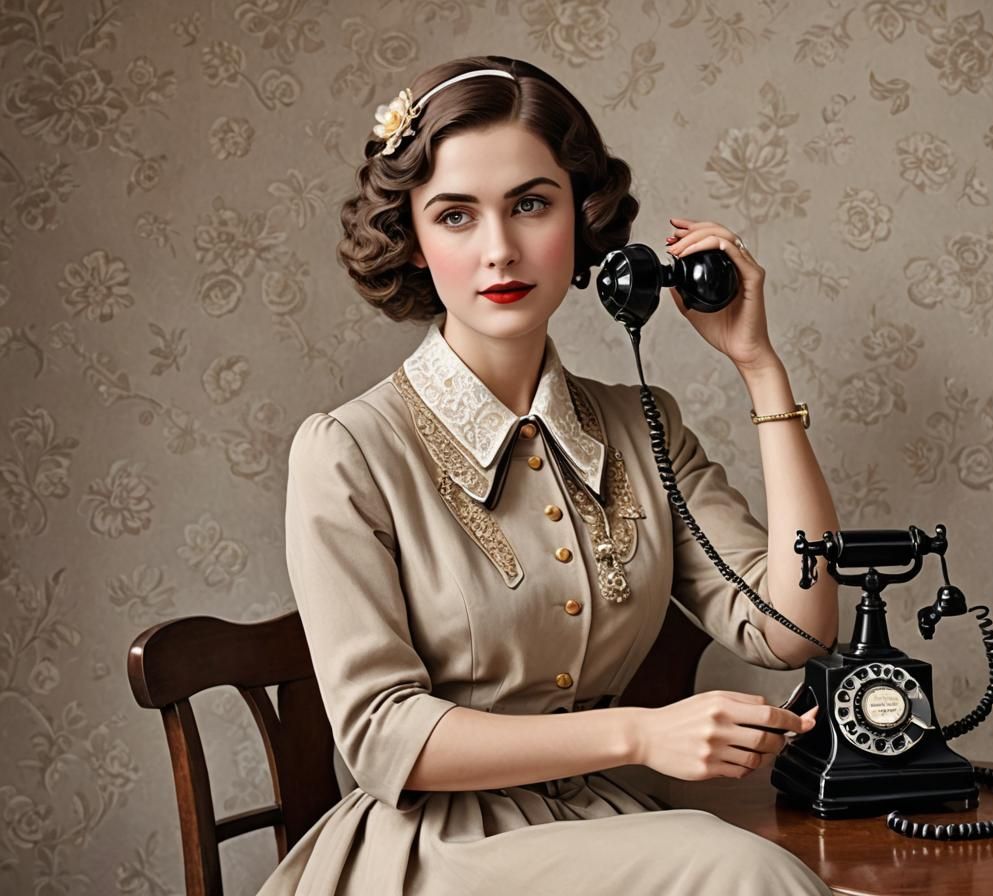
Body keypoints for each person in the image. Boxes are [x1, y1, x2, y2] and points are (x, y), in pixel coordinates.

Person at [258, 54, 839, 895]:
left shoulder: (642, 427)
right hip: (432, 856)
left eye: (530, 204)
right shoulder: (348, 451)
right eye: (456, 216)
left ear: (583, 222)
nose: (500, 250)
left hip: (605, 828)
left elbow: (796, 628)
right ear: (415, 243)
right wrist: (639, 737)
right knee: (742, 873)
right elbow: (382, 736)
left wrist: (759, 368)